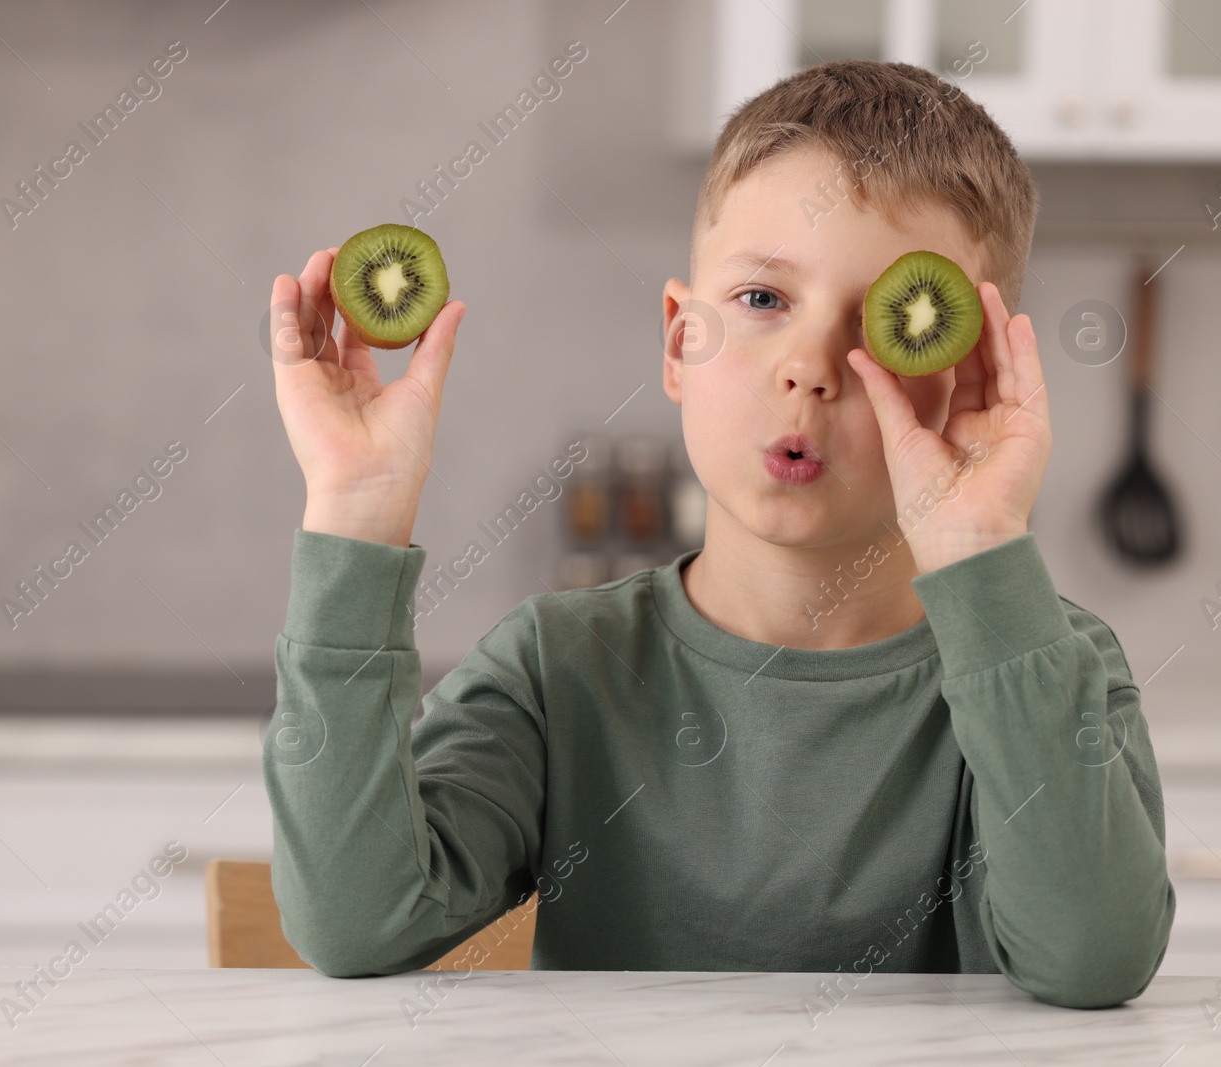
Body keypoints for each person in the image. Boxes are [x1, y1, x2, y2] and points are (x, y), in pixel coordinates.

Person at [263, 59, 1174, 1010]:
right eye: (764, 299)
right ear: (678, 342)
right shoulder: (557, 669)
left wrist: (983, 543)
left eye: (882, 322)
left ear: (974, 368)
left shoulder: (1049, 660)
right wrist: (357, 507)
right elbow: (360, 921)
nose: (810, 370)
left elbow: (1092, 958)